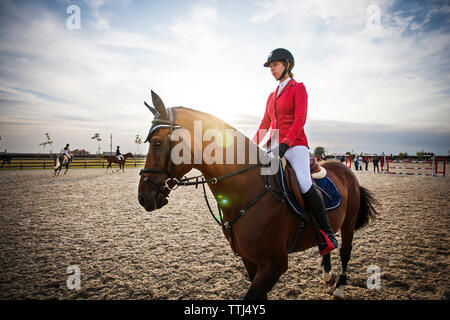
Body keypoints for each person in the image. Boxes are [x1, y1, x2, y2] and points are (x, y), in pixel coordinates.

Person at [252, 48, 338, 255]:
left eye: (276, 65)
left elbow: (300, 118)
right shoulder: (272, 95)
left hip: (296, 144)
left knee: (303, 181)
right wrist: (251, 145)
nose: (272, 70)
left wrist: (287, 142)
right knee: (262, 180)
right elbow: (265, 123)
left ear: (288, 65)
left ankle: (326, 232)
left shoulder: (298, 88)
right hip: (273, 145)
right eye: (270, 67)